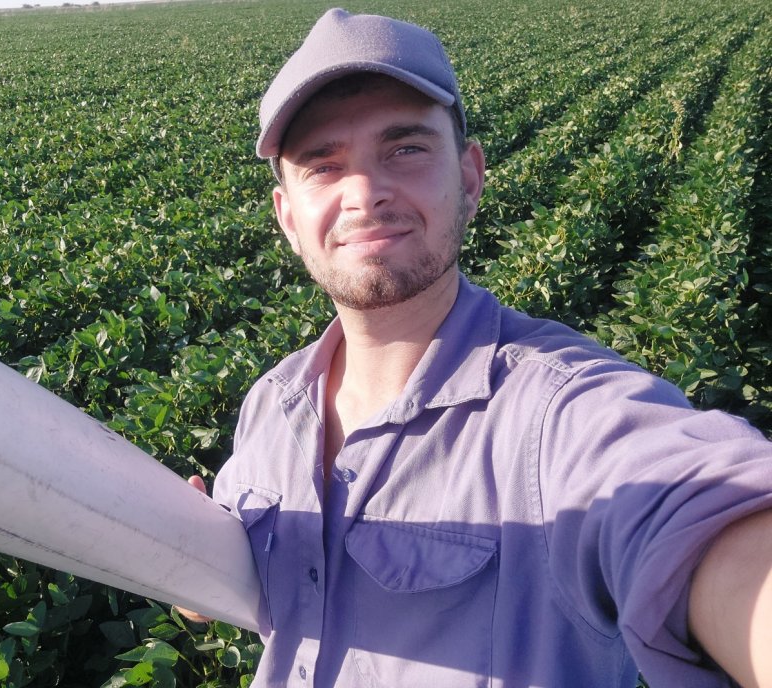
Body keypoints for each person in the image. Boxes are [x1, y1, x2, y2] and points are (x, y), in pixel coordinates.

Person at [183, 8, 772, 687]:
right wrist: (190, 565)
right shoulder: (272, 406)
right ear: (288, 217)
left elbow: (691, 507)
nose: (365, 195)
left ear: (469, 176)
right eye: (323, 165)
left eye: (405, 149)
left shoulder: (558, 417)